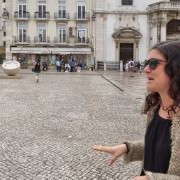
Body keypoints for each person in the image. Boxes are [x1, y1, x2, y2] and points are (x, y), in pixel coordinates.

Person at [92, 41, 180, 179]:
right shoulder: (156, 108)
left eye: (153, 63)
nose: (145, 69)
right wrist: (127, 147)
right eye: (146, 62)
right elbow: (162, 147)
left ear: (175, 68)